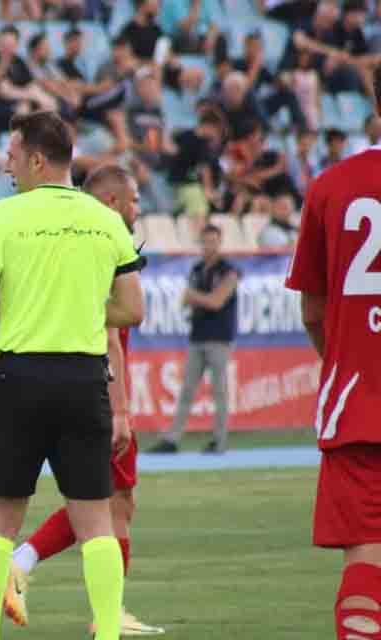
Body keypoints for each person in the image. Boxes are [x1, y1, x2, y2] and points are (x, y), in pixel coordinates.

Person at [0, 111, 145, 640]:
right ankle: (107, 633)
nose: (7, 168)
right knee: (97, 524)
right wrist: (83, 312)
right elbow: (132, 309)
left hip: (20, 377)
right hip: (84, 380)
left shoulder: (6, 214)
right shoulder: (106, 220)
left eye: (13, 158)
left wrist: (12, 314)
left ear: (38, 159)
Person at [2, 164, 165, 637]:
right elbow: (111, 332)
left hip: (80, 384)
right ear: (112, 203)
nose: (138, 208)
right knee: (102, 502)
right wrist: (121, 408)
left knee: (117, 501)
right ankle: (25, 565)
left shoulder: (78, 238)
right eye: (133, 199)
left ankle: (107, 612)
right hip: (98, 389)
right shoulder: (100, 240)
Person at [284, 64, 381, 640]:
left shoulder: (331, 186)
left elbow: (314, 311)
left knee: (365, 556)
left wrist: (344, 358)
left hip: (357, 402)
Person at [149, 224, 239, 454]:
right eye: (205, 241)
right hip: (198, 335)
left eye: (213, 241)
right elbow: (188, 300)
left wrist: (194, 297)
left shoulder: (229, 270)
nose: (209, 246)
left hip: (219, 337)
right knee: (187, 390)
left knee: (219, 391)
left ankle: (219, 440)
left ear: (220, 242)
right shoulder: (197, 269)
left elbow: (216, 301)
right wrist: (198, 299)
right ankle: (172, 438)